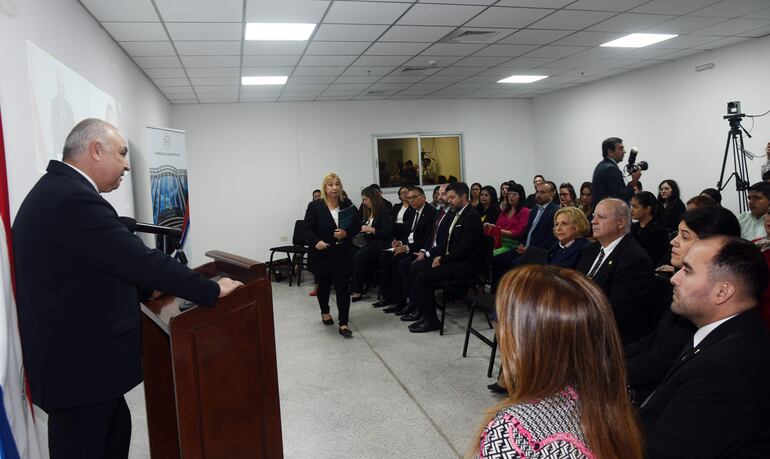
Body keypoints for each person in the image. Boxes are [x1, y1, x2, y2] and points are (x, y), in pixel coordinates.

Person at [12, 119, 243, 458]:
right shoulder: (70, 199)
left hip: (85, 371)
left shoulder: (59, 191)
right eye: (121, 153)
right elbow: (136, 259)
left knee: (114, 432)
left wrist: (142, 292)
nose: (127, 164)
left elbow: (86, 272)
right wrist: (209, 290)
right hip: (79, 374)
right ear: (95, 150)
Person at [474, 266, 643, 459]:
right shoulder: (613, 401)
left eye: (505, 323)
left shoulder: (513, 431)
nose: (501, 332)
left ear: (530, 340)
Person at [639, 236, 770, 458]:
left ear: (723, 292)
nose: (674, 279)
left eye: (687, 271)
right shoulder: (723, 335)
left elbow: (662, 452)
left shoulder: (726, 368)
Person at [625, 207, 741, 405]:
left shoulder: (704, 302)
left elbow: (662, 361)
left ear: (712, 245)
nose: (673, 241)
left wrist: (607, 370)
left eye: (684, 236)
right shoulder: (683, 287)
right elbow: (653, 341)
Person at [576, 198, 653, 345]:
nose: (593, 221)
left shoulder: (634, 259)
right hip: (581, 319)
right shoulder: (591, 250)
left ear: (621, 222)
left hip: (607, 335)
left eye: (601, 217)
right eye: (593, 216)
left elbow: (616, 311)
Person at [409, 182, 483, 333]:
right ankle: (424, 313)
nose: (449, 200)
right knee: (417, 269)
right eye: (448, 197)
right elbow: (448, 242)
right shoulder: (457, 213)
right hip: (453, 260)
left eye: (452, 197)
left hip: (465, 265)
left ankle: (432, 321)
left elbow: (464, 250)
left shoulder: (472, 217)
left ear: (463, 196)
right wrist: (437, 255)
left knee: (423, 277)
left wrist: (442, 259)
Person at [303, 172, 361, 338]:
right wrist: (316, 241)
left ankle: (343, 323)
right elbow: (306, 228)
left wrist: (346, 233)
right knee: (324, 287)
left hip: (342, 254)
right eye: (330, 184)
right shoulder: (315, 206)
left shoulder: (347, 203)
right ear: (325, 187)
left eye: (337, 184)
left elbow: (357, 224)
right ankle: (325, 311)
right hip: (322, 253)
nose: (334, 187)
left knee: (343, 289)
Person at [491, 182, 558, 291]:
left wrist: (529, 249)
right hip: (523, 247)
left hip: (538, 252)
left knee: (514, 264)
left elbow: (552, 239)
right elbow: (527, 232)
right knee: (497, 258)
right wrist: (522, 244)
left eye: (543, 192)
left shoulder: (555, 211)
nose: (538, 195)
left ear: (552, 194)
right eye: (537, 192)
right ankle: (497, 293)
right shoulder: (535, 209)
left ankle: (514, 296)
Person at [398, 185, 452, 320]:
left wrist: (428, 254)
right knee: (397, 261)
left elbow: (445, 242)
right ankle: (410, 303)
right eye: (439, 194)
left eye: (444, 194)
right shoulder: (441, 212)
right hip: (429, 250)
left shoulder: (441, 213)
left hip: (443, 257)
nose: (439, 197)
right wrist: (423, 251)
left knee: (414, 268)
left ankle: (420, 309)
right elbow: (430, 237)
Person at [381, 187, 436, 314]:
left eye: (414, 197)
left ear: (423, 197)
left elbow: (427, 239)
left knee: (401, 263)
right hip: (412, 246)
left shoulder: (430, 213)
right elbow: (411, 234)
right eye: (409, 198)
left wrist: (406, 247)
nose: (411, 200)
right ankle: (397, 300)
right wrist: (400, 242)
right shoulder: (412, 212)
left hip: (421, 249)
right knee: (386, 257)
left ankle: (412, 302)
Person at [350, 187, 393, 302]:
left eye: (366, 200)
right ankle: (357, 284)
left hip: (380, 244)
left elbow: (388, 233)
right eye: (363, 200)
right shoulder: (368, 211)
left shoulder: (384, 211)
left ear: (373, 199)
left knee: (359, 256)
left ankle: (357, 290)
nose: (364, 202)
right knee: (350, 251)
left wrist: (372, 230)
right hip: (368, 241)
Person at [591, 137, 641, 204]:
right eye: (621, 148)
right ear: (610, 151)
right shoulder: (611, 169)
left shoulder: (601, 165)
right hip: (609, 213)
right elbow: (621, 199)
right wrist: (634, 181)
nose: (624, 151)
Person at [486, 182, 529, 255]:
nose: (511, 196)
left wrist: (496, 229)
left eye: (514, 194)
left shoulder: (525, 211)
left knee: (490, 255)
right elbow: (498, 226)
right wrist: (490, 227)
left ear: (521, 196)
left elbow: (518, 233)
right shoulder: (505, 211)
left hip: (513, 244)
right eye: (509, 194)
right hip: (498, 241)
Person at [630, 191, 670, 265]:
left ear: (647, 209)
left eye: (635, 207)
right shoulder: (632, 227)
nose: (631, 210)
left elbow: (655, 257)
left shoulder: (659, 230)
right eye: (631, 206)